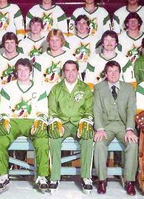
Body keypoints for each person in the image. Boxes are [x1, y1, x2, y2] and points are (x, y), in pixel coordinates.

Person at [0, 58, 49, 193]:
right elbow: (2, 109)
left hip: (33, 120)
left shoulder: (39, 88)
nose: (23, 73)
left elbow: (43, 110)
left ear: (30, 72)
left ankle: (42, 176)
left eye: (26, 70)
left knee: (42, 139)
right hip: (13, 121)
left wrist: (41, 120)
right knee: (1, 137)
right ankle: (3, 174)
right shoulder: (8, 87)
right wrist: (4, 119)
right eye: (20, 70)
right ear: (16, 72)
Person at [48, 60, 94, 194]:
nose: (70, 73)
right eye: (67, 70)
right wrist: (56, 121)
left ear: (77, 71)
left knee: (87, 138)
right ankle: (54, 177)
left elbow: (89, 109)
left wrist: (85, 121)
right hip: (62, 124)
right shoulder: (56, 88)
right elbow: (52, 110)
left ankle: (86, 177)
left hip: (78, 123)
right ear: (63, 72)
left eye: (73, 70)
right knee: (54, 138)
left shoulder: (84, 88)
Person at [93, 61, 138, 196]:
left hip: (123, 126)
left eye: (116, 71)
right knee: (99, 143)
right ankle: (102, 180)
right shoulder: (99, 88)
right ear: (105, 74)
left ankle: (130, 181)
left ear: (120, 73)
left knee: (133, 144)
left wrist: (130, 129)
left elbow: (131, 110)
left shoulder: (129, 88)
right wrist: (99, 128)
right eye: (110, 71)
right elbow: (97, 109)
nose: (113, 74)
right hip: (106, 126)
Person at [33, 29, 76, 94]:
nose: (54, 43)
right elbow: (36, 82)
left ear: (61, 41)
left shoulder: (70, 58)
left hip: (65, 96)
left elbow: (76, 81)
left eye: (57, 40)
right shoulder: (40, 59)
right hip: (46, 96)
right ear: (48, 41)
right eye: (52, 40)